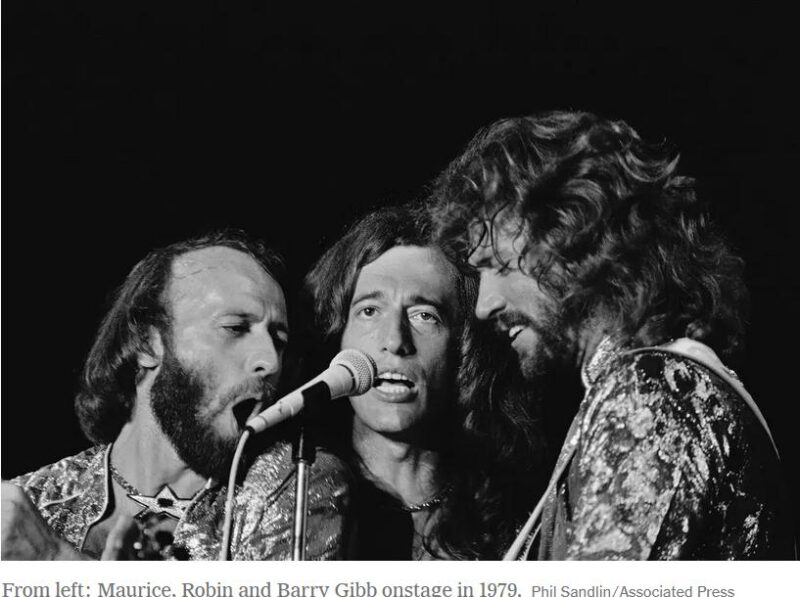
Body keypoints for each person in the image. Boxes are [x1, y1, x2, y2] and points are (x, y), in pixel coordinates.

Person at [428, 110, 795, 559]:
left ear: (575, 239)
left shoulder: (650, 393)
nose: (483, 305)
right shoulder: (672, 385)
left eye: (498, 266)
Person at [2, 231, 350, 560]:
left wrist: (55, 560)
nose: (270, 361)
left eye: (279, 340)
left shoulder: (296, 479)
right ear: (147, 344)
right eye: (235, 328)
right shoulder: (34, 501)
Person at [304, 204, 486, 559]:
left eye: (424, 315)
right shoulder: (291, 495)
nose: (395, 339)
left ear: (463, 346)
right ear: (338, 333)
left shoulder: (510, 516)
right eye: (369, 311)